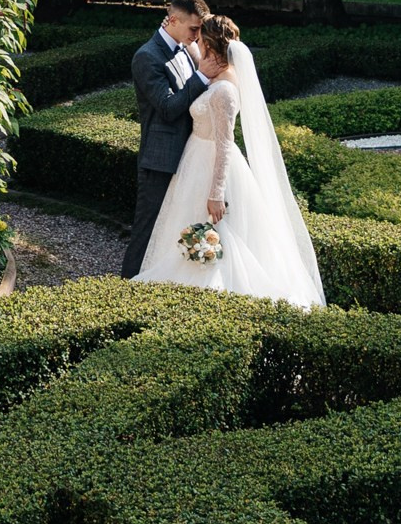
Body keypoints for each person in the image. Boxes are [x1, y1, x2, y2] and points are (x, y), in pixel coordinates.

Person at [130, 15, 326, 307]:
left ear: (210, 45)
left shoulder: (223, 89)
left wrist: (216, 193)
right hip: (194, 162)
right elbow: (192, 55)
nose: (195, 44)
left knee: (221, 237)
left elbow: (225, 144)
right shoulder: (215, 74)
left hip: (210, 167)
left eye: (200, 40)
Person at [123, 0, 211, 279]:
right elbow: (168, 107)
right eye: (194, 29)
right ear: (173, 20)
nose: (197, 36)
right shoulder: (146, 57)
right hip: (159, 159)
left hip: (187, 154)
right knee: (147, 230)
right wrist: (201, 78)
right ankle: (126, 286)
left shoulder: (185, 48)